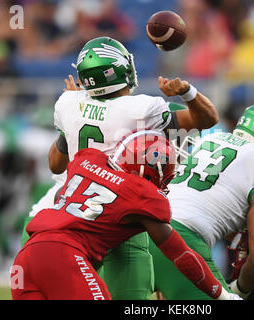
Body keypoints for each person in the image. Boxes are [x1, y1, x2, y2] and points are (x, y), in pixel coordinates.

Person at [19, 36, 219, 300]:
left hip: (73, 218)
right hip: (123, 220)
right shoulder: (142, 108)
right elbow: (206, 119)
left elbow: (55, 165)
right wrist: (186, 92)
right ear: (118, 70)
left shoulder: (68, 104)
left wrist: (70, 125)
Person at [11, 131, 240, 300]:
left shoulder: (88, 160)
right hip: (66, 257)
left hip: (25, 257)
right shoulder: (142, 194)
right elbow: (181, 255)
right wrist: (222, 295)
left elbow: (61, 197)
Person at [149, 102, 254, 299]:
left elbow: (216, 209)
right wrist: (238, 289)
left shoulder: (212, 139)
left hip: (144, 227)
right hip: (180, 240)